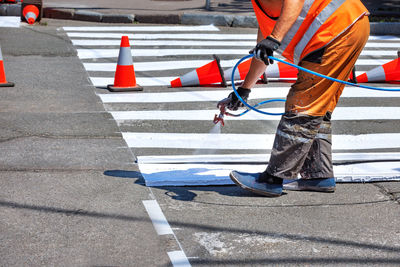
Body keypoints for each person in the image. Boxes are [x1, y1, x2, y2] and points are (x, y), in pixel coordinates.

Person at [219, 0, 370, 197]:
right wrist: (244, 89)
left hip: (335, 30)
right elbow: (262, 47)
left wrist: (274, 38)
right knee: (318, 105)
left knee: (302, 104)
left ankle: (272, 179)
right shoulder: (260, 4)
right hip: (348, 26)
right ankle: (318, 175)